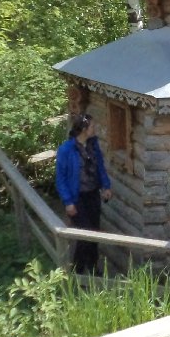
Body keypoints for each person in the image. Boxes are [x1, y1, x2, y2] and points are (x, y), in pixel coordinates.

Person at [55, 113, 112, 274]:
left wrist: (106, 186)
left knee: (94, 232)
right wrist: (68, 202)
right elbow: (60, 179)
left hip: (92, 195)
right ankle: (77, 271)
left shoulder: (93, 145)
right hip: (76, 198)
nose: (95, 129)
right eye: (92, 126)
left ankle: (93, 268)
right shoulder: (66, 150)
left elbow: (100, 167)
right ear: (84, 129)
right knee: (84, 233)